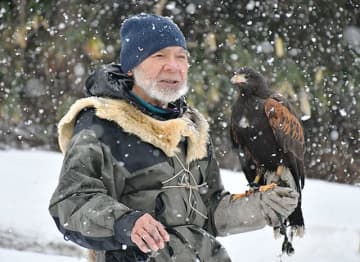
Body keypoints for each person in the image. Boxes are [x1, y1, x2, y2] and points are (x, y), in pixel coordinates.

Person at [49, 13, 299, 262]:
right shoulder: (101, 123)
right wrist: (125, 223)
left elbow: (209, 212)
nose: (173, 66)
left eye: (181, 57)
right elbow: (70, 204)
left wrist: (262, 206)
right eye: (159, 56)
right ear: (132, 66)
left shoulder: (191, 128)